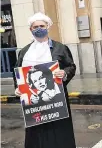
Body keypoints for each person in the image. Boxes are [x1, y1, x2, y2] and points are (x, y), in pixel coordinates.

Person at [12, 12, 76, 148]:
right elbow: (17, 73)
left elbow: (71, 66)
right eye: (35, 27)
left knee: (59, 133)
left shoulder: (60, 48)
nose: (39, 29)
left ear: (48, 26)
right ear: (31, 29)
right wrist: (18, 88)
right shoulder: (24, 52)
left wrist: (64, 73)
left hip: (57, 103)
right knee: (37, 135)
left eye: (42, 25)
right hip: (34, 105)